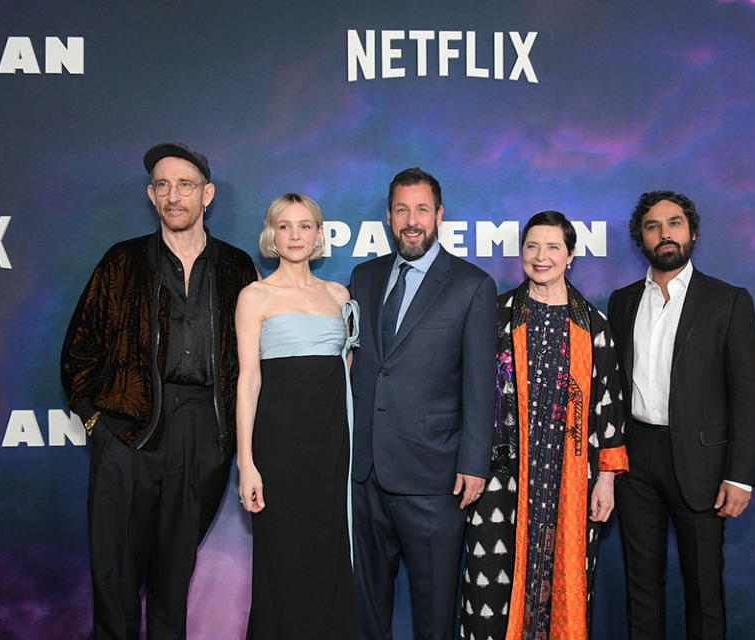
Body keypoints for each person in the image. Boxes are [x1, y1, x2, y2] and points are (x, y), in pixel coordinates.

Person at [60, 142, 258, 639]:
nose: (174, 196)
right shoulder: (122, 261)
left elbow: (255, 361)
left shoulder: (237, 267)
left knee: (174, 577)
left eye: (185, 185)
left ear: (206, 195)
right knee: (116, 578)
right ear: (151, 196)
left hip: (205, 433)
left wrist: (229, 439)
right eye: (163, 185)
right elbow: (78, 351)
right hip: (127, 432)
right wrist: (95, 424)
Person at [460, 211, 629, 640]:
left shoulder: (593, 325)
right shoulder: (494, 315)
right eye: (532, 246)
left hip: (571, 477)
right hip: (502, 479)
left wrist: (607, 478)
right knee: (490, 591)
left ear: (570, 255)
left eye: (553, 247)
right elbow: (469, 393)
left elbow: (609, 407)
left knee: (564, 587)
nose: (541, 256)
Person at [348, 167, 497, 640]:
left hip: (435, 478)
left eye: (421, 210)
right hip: (365, 473)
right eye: (401, 210)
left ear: (439, 215)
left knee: (434, 615)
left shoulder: (471, 284)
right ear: (389, 216)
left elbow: (480, 384)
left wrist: (474, 463)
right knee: (367, 609)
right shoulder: (364, 276)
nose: (411, 220)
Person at [607, 191, 755, 640]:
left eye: (674, 223)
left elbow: (747, 393)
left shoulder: (728, 301)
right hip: (636, 460)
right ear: (641, 238)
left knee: (703, 591)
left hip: (701, 462)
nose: (665, 234)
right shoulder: (622, 302)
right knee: (641, 589)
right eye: (653, 226)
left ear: (692, 232)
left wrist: (741, 475)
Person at [235, 193, 358, 639]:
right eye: (284, 226)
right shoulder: (255, 296)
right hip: (278, 452)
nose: (295, 235)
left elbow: (342, 374)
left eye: (305, 226)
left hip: (331, 451)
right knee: (282, 560)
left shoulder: (338, 295)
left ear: (319, 234)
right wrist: (247, 463)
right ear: (272, 234)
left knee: (329, 557)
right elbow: (248, 383)